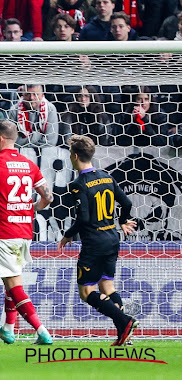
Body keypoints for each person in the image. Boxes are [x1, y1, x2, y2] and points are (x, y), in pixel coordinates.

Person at [0, 119, 54, 346]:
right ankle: (8, 329)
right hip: (24, 229)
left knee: (14, 285)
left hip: (5, 230)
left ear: (0, 138)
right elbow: (48, 197)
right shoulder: (29, 164)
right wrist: (32, 209)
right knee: (10, 281)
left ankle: (41, 331)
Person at [58, 135, 139, 346]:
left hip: (94, 243)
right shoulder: (106, 176)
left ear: (74, 156)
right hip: (112, 237)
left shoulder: (78, 184)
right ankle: (125, 335)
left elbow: (83, 217)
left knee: (87, 292)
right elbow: (127, 203)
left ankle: (124, 321)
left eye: (70, 154)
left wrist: (68, 234)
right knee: (108, 287)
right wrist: (122, 221)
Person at [10, 84, 60, 148]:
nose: (31, 98)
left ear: (42, 95)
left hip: (44, 154)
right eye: (27, 94)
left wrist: (26, 141)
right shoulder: (14, 110)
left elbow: (51, 142)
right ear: (22, 95)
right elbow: (12, 141)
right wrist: (37, 135)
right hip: (20, 153)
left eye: (35, 94)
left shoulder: (50, 109)